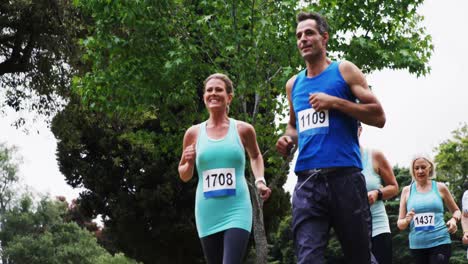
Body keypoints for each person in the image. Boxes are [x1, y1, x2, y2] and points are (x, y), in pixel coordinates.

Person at [275, 11, 386, 264]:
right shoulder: (293, 84)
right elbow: (293, 126)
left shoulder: (344, 71)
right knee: (308, 258)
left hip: (345, 178)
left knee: (359, 257)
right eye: (299, 35)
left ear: (324, 38)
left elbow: (378, 116)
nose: (303, 39)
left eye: (309, 33)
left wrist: (335, 102)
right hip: (307, 182)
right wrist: (288, 139)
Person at [178, 73, 271, 264]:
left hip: (237, 208)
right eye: (209, 90)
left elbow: (255, 156)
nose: (213, 93)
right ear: (204, 97)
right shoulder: (193, 133)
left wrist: (260, 180)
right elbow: (185, 175)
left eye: (218, 89)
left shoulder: (243, 129)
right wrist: (187, 162)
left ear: (229, 97)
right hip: (207, 210)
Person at [397, 155, 461, 264]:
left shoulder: (440, 187)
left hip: (440, 241)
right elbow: (400, 224)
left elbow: (457, 211)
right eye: (416, 168)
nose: (420, 171)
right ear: (413, 171)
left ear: (429, 168)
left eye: (423, 167)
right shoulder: (407, 191)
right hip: (417, 246)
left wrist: (454, 220)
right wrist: (407, 220)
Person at [358, 122, 398, 264]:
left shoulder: (374, 156)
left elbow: (394, 187)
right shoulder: (338, 162)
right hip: (353, 229)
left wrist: (377, 193)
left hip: (378, 227)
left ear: (360, 130)